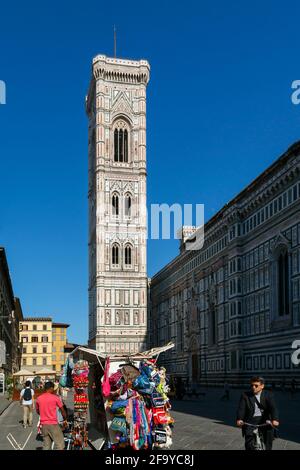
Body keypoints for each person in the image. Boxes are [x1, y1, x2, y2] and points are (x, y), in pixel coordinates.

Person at [236, 376, 279, 450]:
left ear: (262, 386)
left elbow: (273, 408)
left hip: (265, 420)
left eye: (256, 385)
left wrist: (275, 419)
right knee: (249, 443)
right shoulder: (245, 395)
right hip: (250, 421)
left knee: (268, 438)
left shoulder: (268, 395)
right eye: (252, 385)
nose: (253, 387)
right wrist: (239, 419)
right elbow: (241, 409)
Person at [35, 381, 67, 450]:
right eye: (53, 389)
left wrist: (44, 414)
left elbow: (37, 411)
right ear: (51, 388)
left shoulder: (39, 398)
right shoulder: (55, 398)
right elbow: (62, 410)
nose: (53, 390)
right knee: (60, 445)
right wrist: (65, 419)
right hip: (53, 424)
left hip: (44, 425)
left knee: (46, 446)